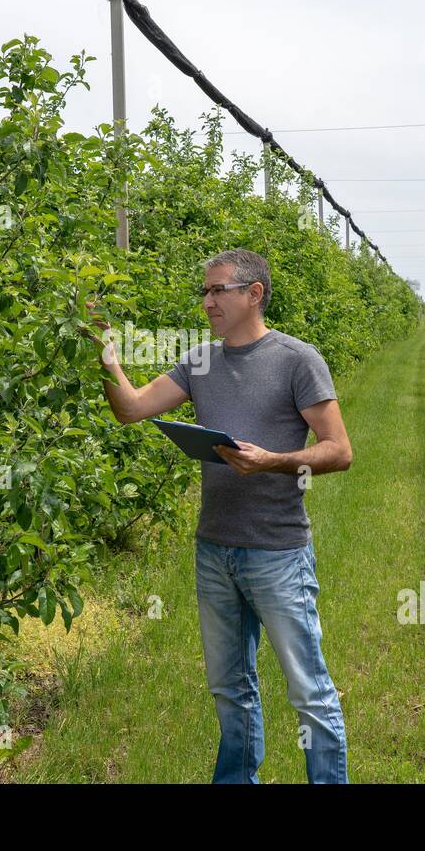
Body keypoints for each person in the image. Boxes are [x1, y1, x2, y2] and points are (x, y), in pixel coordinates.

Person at [86, 247, 352, 783]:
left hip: (277, 551)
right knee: (229, 686)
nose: (206, 301)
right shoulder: (200, 361)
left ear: (254, 294)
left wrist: (272, 461)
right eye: (203, 291)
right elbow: (132, 409)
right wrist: (106, 354)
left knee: (307, 690)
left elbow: (338, 450)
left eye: (217, 290)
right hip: (215, 550)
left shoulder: (297, 360)